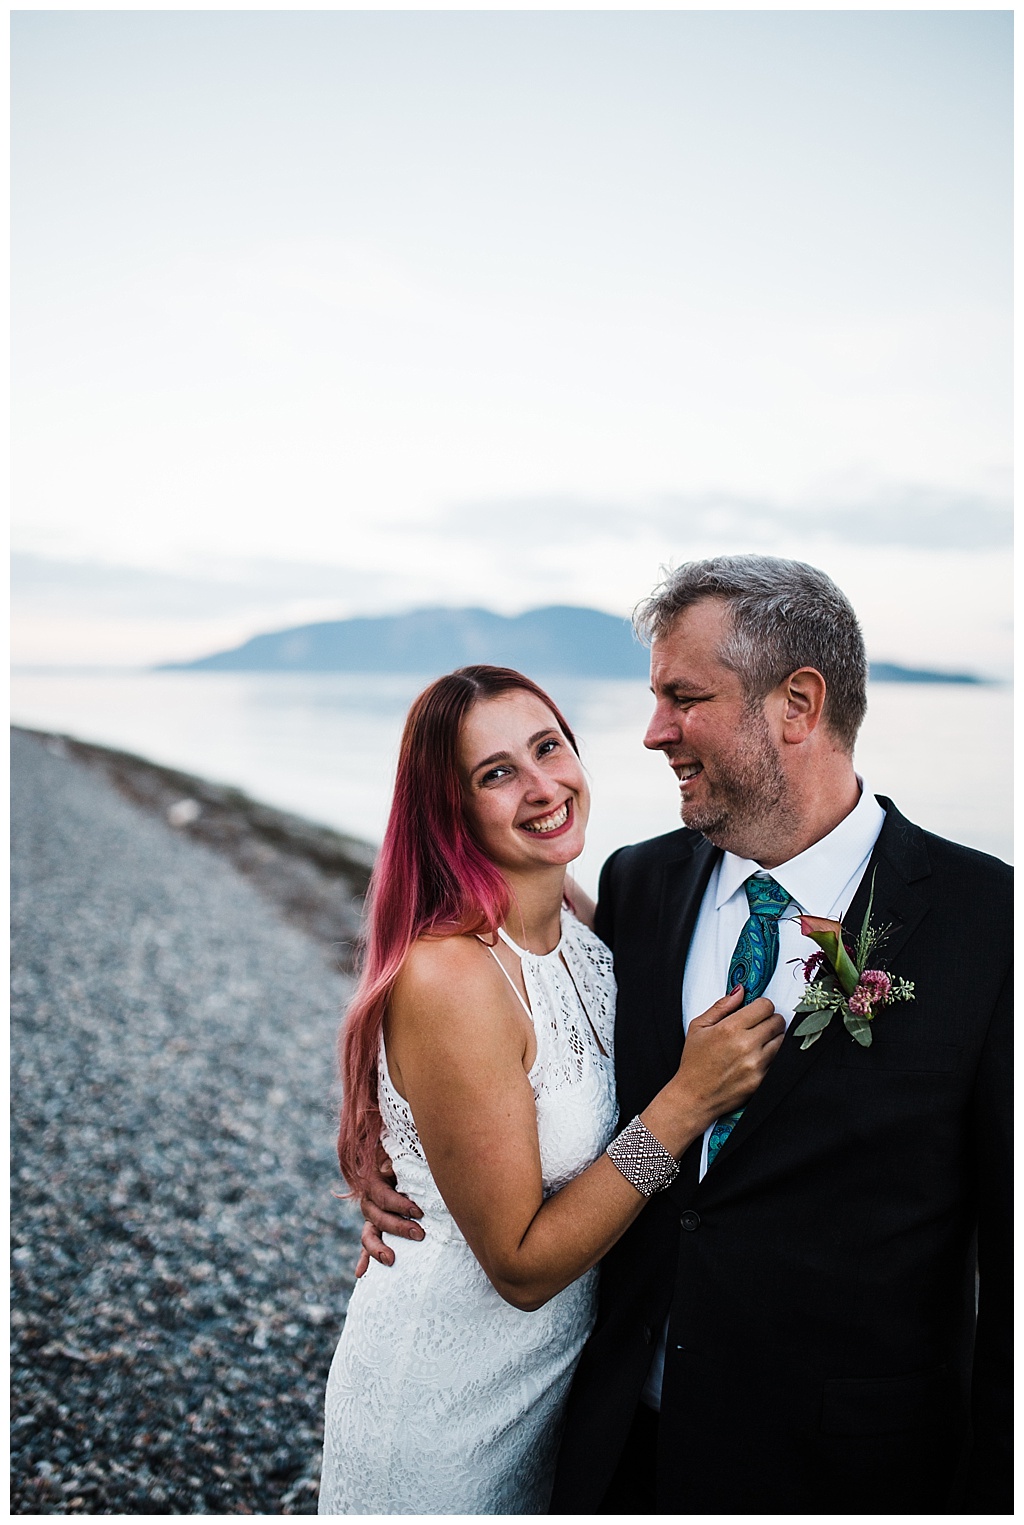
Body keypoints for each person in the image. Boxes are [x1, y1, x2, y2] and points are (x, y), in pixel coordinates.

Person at [358, 557, 1012, 1515]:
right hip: (615, 1437)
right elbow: (478, 986)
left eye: (683, 697)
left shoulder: (987, 919)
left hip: (849, 1467)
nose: (653, 730)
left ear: (796, 703)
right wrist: (395, 1137)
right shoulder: (640, 883)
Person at [317, 663, 783, 1515]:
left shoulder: (587, 930)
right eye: (497, 774)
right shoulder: (455, 976)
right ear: (449, 808)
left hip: (553, 1405)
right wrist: (685, 1103)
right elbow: (522, 1268)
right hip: (440, 1411)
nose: (542, 787)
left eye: (548, 747)